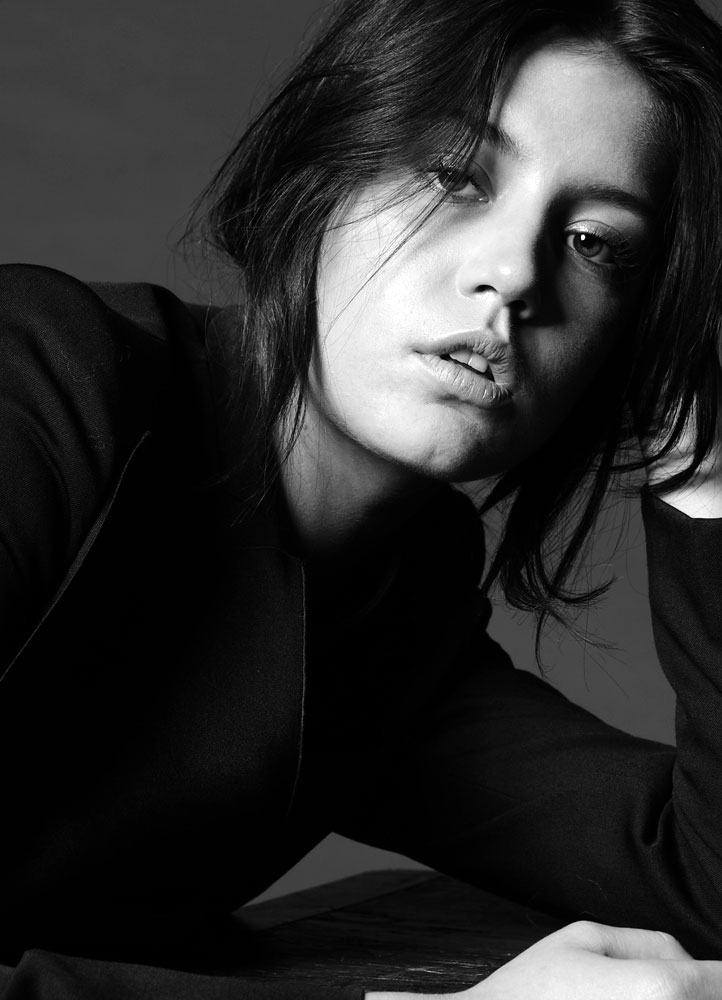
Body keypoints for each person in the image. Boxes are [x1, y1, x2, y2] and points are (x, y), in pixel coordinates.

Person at [2, 0, 722, 997]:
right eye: (453, 175)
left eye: (596, 243)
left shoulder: (389, 630)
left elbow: (702, 876)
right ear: (320, 171)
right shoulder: (44, 384)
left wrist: (700, 454)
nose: (513, 274)